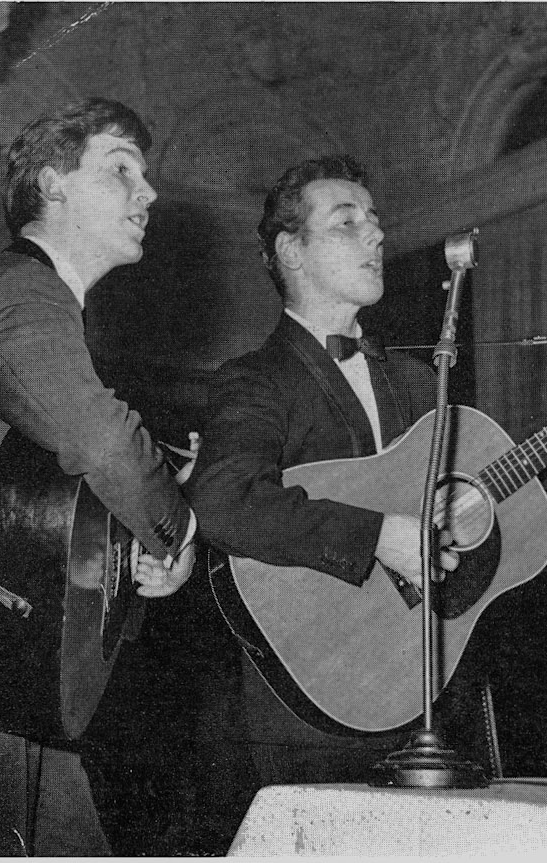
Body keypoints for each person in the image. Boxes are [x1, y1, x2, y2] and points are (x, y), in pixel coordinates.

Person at [188, 154, 454, 793]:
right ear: (291, 251)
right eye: (346, 222)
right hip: (310, 704)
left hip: (432, 685)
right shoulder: (253, 381)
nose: (377, 235)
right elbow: (223, 502)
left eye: (375, 220)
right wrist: (377, 536)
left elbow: (490, 493)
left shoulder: (421, 380)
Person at [0, 99, 195, 857]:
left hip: (21, 685)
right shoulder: (23, 293)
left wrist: (124, 536)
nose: (149, 193)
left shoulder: (48, 309)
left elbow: (36, 502)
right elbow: (99, 441)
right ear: (53, 185)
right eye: (119, 170)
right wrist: (177, 530)